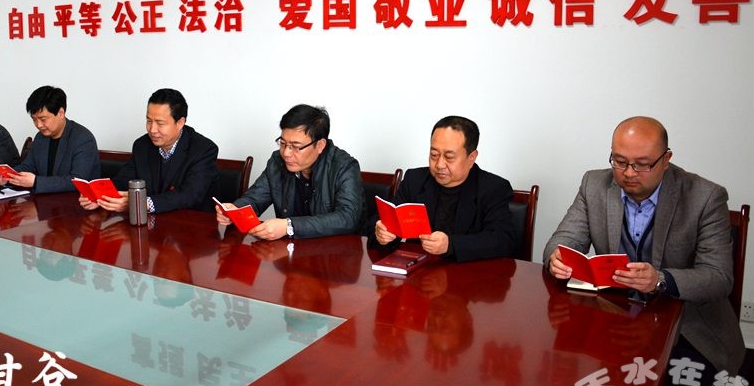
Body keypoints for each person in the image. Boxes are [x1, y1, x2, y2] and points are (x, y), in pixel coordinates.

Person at [544, 116, 745, 378]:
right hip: (612, 316)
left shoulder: (705, 197)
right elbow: (562, 240)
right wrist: (557, 258)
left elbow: (718, 277)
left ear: (666, 159)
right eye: (620, 161)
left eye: (642, 164)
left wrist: (660, 280)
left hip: (687, 326)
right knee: (575, 376)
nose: (629, 173)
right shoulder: (594, 184)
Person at [373, 116, 517, 261]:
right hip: (420, 268)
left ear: (471, 157)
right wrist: (381, 232)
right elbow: (381, 220)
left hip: (469, 271)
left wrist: (451, 244)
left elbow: (503, 240)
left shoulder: (493, 188)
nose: (440, 164)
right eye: (434, 155)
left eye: (449, 157)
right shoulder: (415, 180)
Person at [216, 104, 365, 240]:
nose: (286, 153)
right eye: (283, 143)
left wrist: (289, 226)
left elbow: (347, 218)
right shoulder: (277, 162)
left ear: (320, 145)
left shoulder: (344, 166)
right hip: (289, 253)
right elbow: (255, 199)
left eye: (296, 146)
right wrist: (235, 210)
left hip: (333, 254)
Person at [80, 88, 218, 214]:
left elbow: (189, 194)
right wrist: (99, 195)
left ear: (180, 123)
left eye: (160, 123)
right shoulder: (142, 145)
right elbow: (124, 180)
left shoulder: (203, 149)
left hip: (190, 225)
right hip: (150, 224)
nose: (152, 129)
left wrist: (140, 204)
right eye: (149, 121)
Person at [0, 86, 100, 193]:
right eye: (34, 119)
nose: (39, 125)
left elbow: (78, 181)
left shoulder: (83, 139)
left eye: (43, 119)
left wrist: (36, 182)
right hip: (45, 200)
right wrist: (6, 177)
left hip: (76, 202)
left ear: (61, 113)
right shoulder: (40, 137)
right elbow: (28, 166)